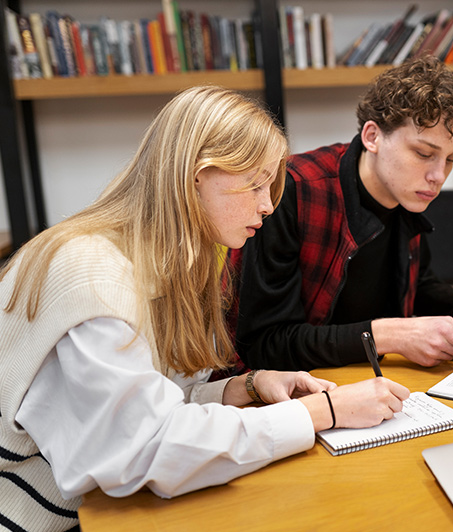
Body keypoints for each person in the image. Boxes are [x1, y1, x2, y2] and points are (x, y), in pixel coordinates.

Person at [0, 86, 409, 532]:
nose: (267, 205)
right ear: (193, 177)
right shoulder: (93, 271)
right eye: (254, 183)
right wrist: (322, 413)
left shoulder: (177, 261)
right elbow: (148, 451)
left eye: (269, 185)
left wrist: (245, 388)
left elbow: (156, 403)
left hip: (93, 506)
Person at [231, 56, 453, 374]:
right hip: (295, 388)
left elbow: (417, 284)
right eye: (423, 154)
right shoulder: (291, 191)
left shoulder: (408, 193)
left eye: (450, 159)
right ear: (372, 137)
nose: (438, 176)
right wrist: (386, 335)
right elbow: (264, 346)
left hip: (375, 379)